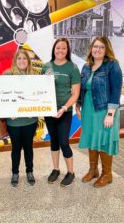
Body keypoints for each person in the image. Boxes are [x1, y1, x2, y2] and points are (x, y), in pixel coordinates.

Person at [76, 36, 123, 188]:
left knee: (104, 140)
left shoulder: (112, 66)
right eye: (95, 46)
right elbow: (82, 88)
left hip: (105, 110)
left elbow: (116, 91)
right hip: (89, 109)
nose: (98, 49)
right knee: (92, 138)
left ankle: (107, 174)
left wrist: (110, 114)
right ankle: (93, 170)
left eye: (101, 47)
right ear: (91, 49)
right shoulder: (86, 66)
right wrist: (78, 105)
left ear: (106, 49)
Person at [42, 38, 81, 187]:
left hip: (64, 110)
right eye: (58, 48)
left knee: (64, 142)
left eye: (63, 48)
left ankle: (71, 172)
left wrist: (64, 107)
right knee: (54, 141)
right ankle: (56, 169)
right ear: (54, 49)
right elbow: (40, 90)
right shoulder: (46, 67)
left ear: (67, 50)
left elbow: (75, 94)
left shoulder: (72, 68)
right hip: (49, 111)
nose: (60, 51)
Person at [4, 50, 38, 187]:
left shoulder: (34, 76)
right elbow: (3, 96)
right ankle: (15, 173)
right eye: (19, 58)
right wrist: (8, 111)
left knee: (28, 147)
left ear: (28, 61)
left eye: (25, 58)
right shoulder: (8, 74)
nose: (22, 61)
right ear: (15, 60)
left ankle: (29, 171)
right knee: (16, 148)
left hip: (30, 120)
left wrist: (34, 109)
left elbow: (38, 96)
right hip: (14, 121)